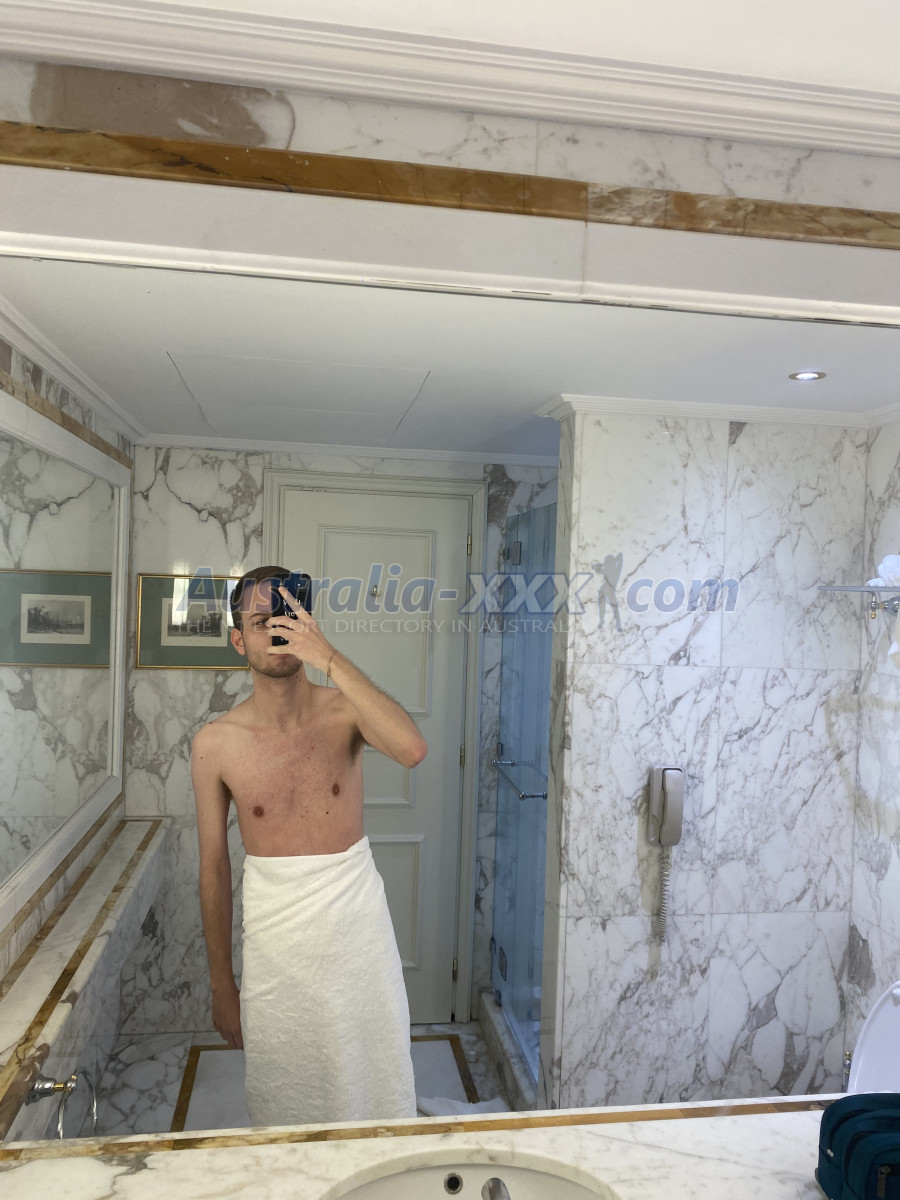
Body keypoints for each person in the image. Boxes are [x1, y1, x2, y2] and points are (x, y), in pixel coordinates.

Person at [191, 565, 427, 1126]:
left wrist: (330, 658)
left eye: (287, 616)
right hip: (278, 945)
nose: (276, 631)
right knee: (286, 1090)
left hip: (357, 934)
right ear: (238, 640)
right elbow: (214, 868)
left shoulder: (344, 711)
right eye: (260, 621)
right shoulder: (215, 744)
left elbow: (412, 749)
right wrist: (222, 983)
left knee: (373, 1078)